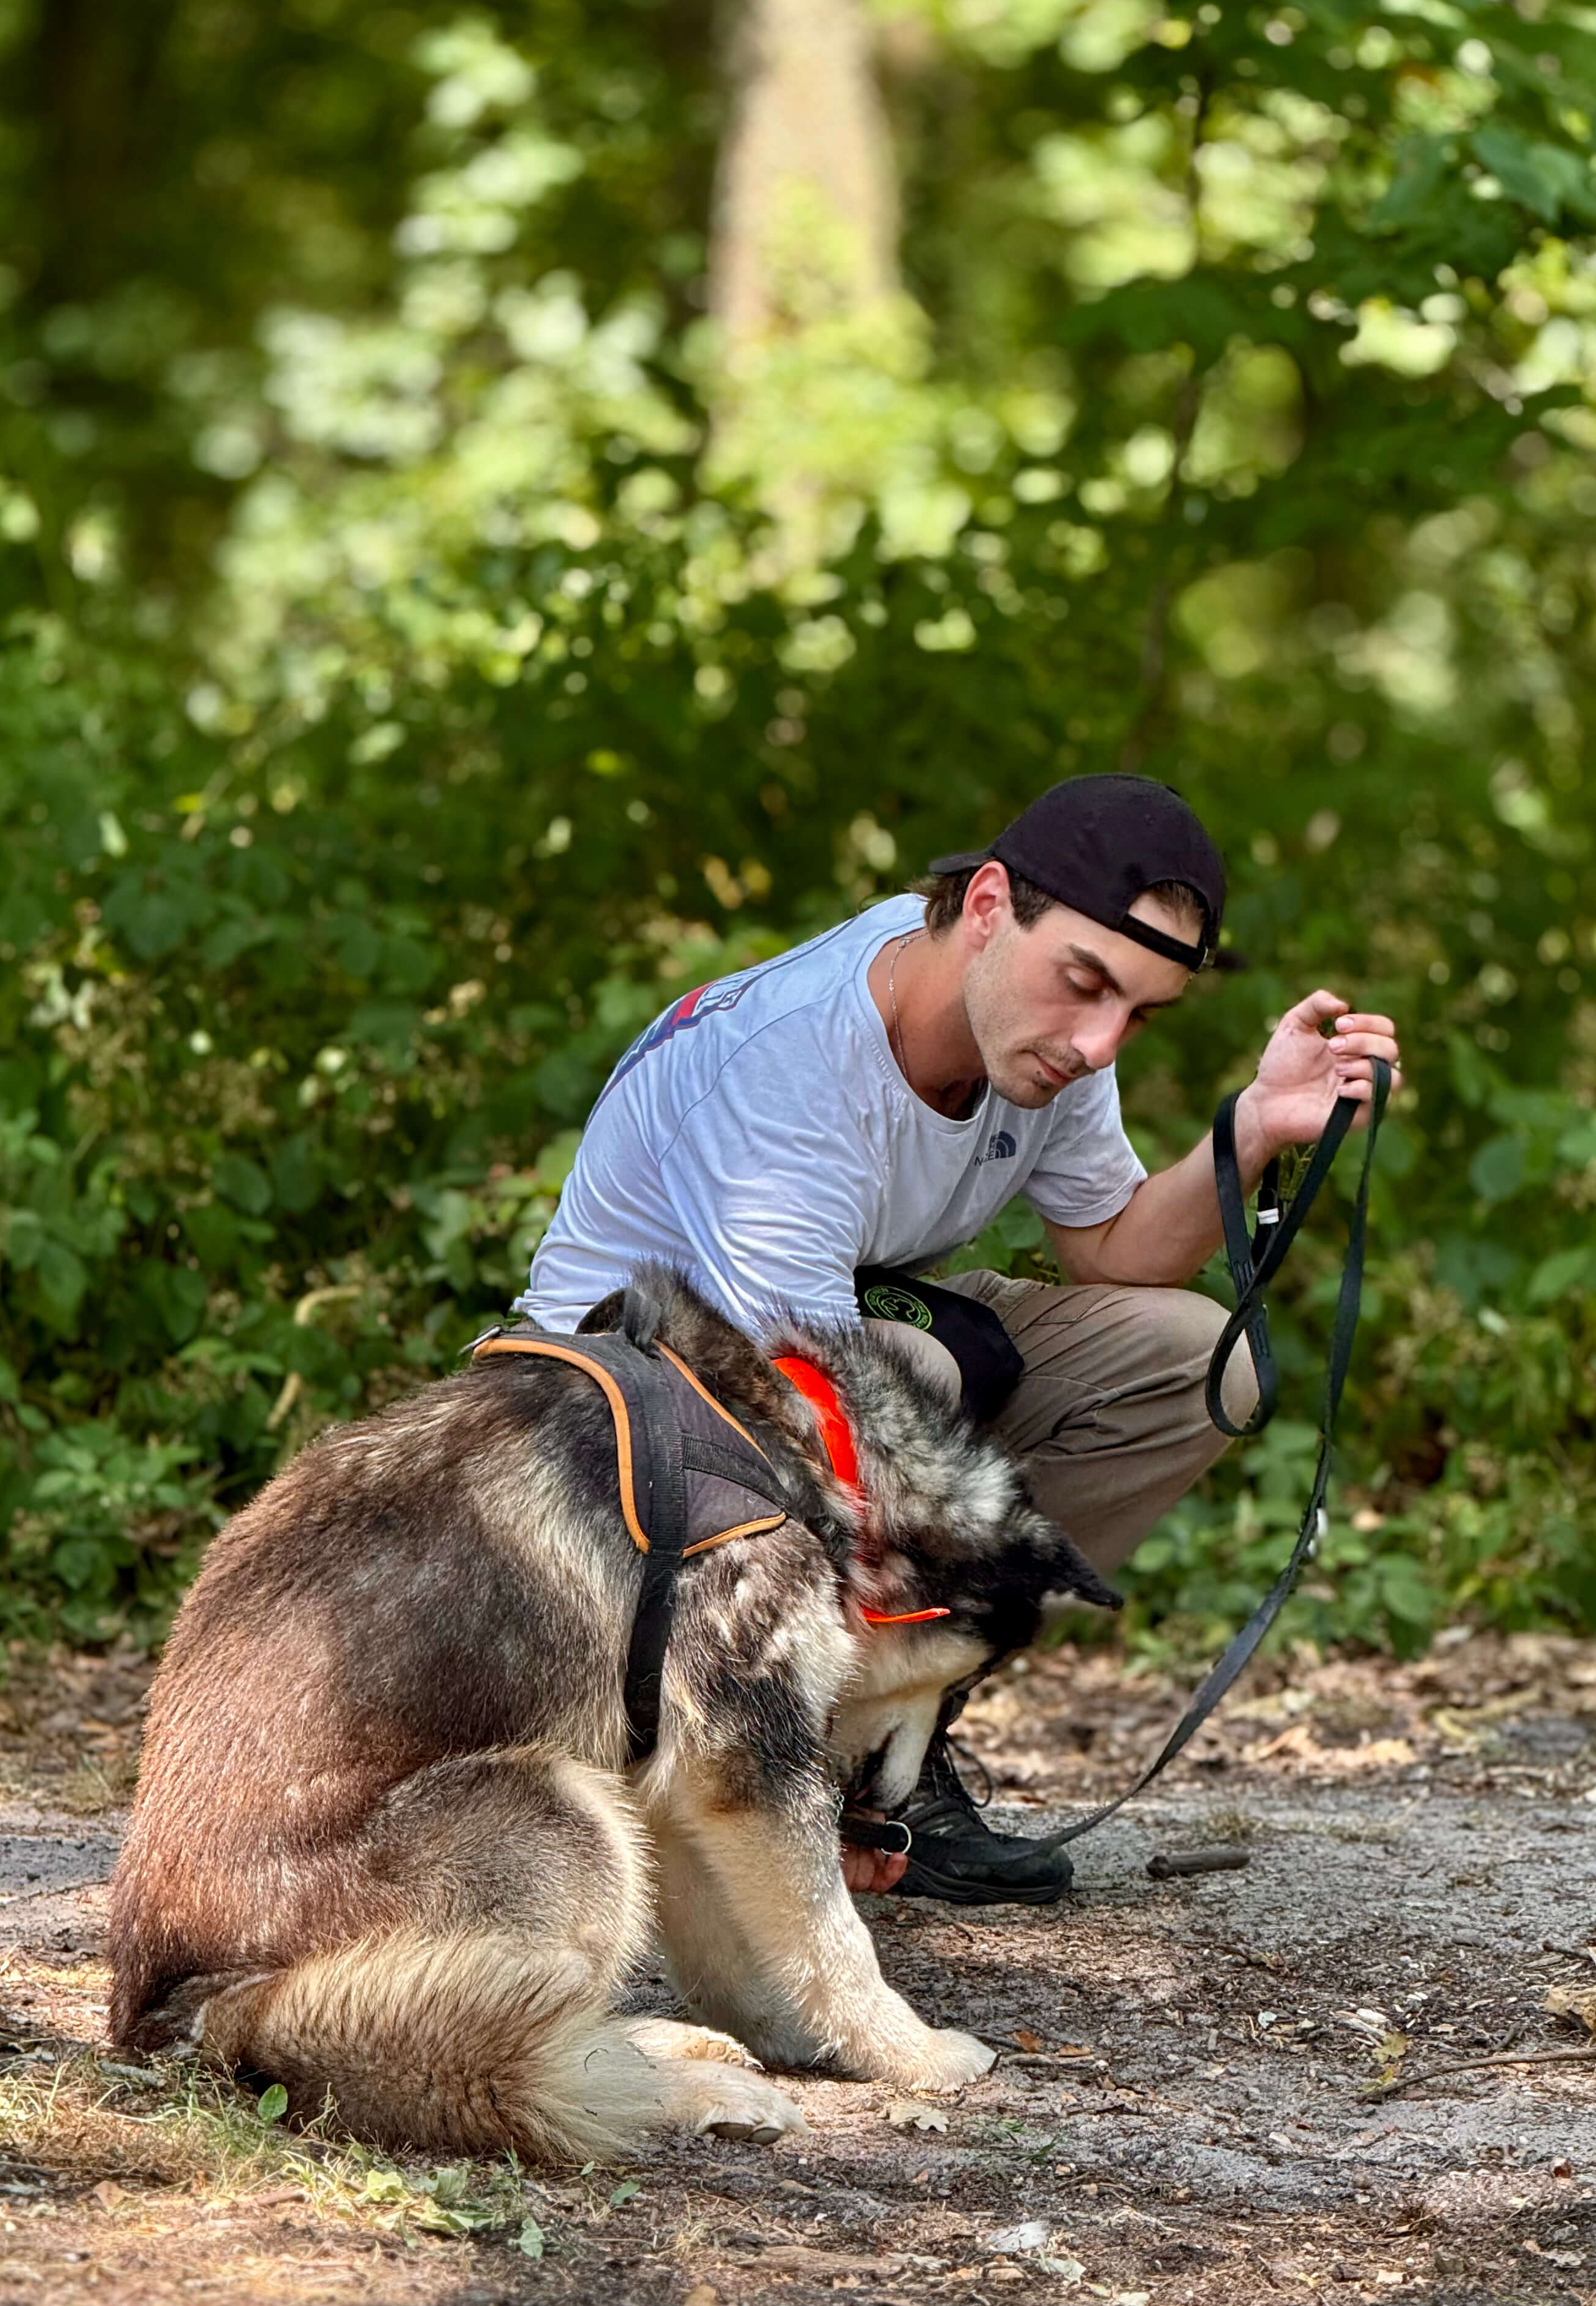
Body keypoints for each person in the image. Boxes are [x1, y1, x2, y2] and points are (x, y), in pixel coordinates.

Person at [516, 774, 1400, 1905]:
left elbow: (1113, 1254)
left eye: (1138, 1012)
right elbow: (816, 1405)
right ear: (988, 903)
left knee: (1198, 1357)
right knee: (909, 1383)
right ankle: (799, 1760)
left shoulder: (1034, 1026)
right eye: (1084, 985)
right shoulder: (796, 1065)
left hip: (837, 1337)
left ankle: (895, 1742)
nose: (1097, 1041)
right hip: (596, 1432)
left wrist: (1254, 1130)